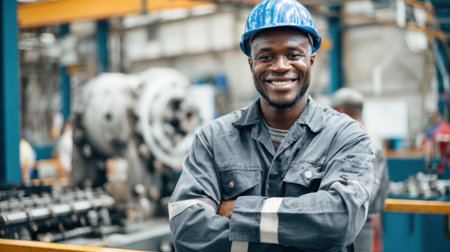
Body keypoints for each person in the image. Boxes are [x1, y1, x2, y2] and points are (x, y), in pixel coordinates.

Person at [169, 0, 374, 251]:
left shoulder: (345, 136)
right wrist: (300, 234)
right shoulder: (213, 139)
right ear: (251, 64)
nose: (280, 66)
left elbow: (341, 220)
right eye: (266, 56)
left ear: (311, 60)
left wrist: (241, 212)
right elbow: (187, 230)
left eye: (293, 55)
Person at [331, 88, 389, 252]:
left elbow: (367, 194)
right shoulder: (373, 140)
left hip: (356, 228)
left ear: (340, 111)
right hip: (356, 225)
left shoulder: (363, 142)